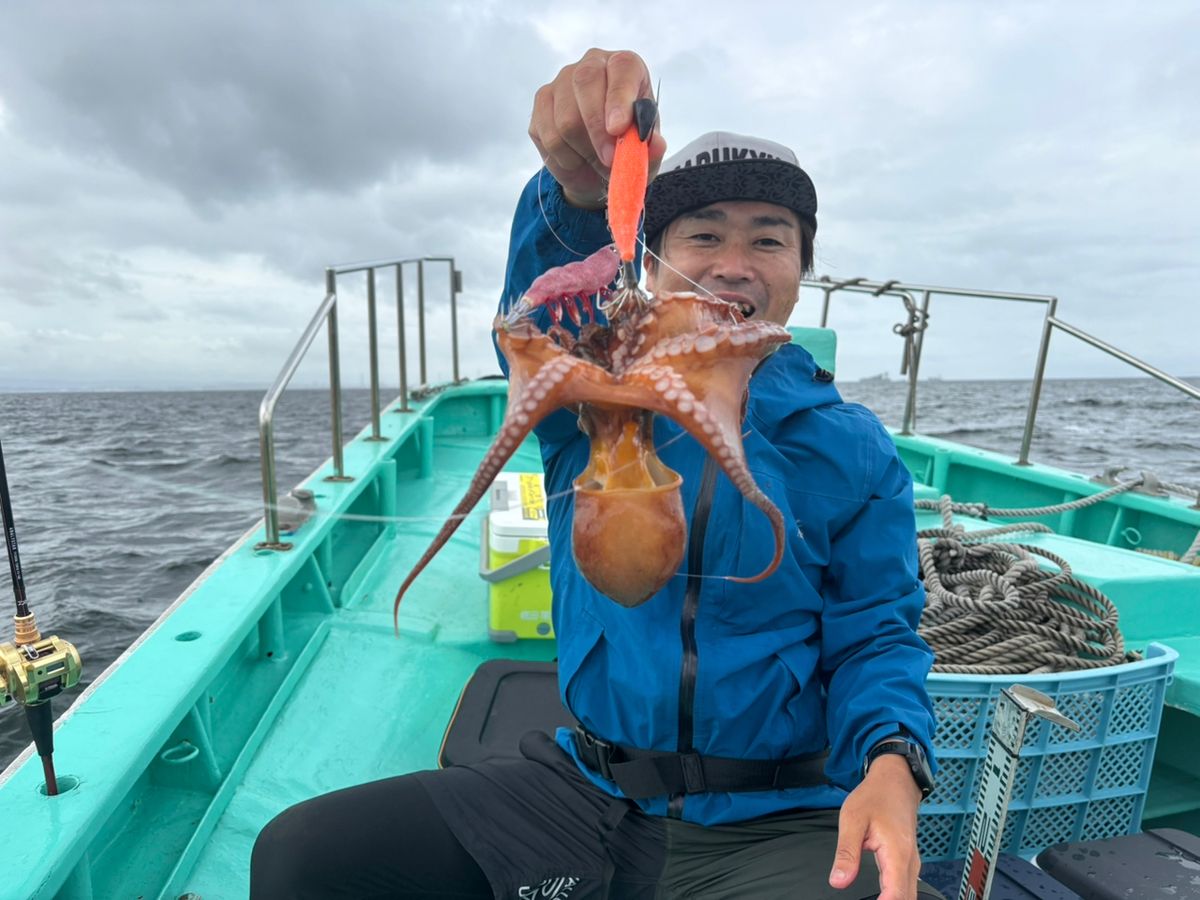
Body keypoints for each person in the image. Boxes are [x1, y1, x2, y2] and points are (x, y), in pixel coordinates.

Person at [250, 48, 941, 900]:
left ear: (801, 269)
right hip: (585, 790)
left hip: (776, 818)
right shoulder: (590, 394)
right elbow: (541, 307)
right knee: (306, 856)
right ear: (653, 262)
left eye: (769, 239)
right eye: (702, 235)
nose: (733, 262)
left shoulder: (852, 448)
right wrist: (576, 191)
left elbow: (878, 633)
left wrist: (892, 762)